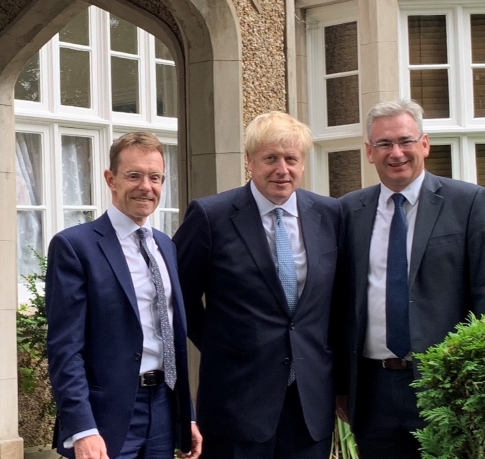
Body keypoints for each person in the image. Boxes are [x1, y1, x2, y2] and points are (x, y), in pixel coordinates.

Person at [338, 98, 485, 458]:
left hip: (445, 384)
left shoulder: (467, 202)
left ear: (425, 145)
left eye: (405, 141)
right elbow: (338, 303)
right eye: (384, 144)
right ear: (369, 152)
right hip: (373, 389)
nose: (396, 152)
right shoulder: (349, 210)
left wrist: (479, 382)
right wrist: (341, 385)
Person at [173, 111, 344, 459]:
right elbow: (178, 297)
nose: (282, 169)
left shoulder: (330, 215)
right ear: (250, 161)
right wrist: (225, 345)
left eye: (291, 159)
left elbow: (339, 301)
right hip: (237, 401)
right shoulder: (211, 216)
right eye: (270, 158)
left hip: (309, 402)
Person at [45, 132, 202, 459]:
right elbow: (65, 348)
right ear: (110, 179)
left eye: (155, 177)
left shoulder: (166, 246)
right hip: (106, 418)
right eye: (134, 176)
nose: (146, 186)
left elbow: (171, 336)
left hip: (162, 409)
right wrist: (82, 429)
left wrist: (185, 414)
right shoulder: (75, 247)